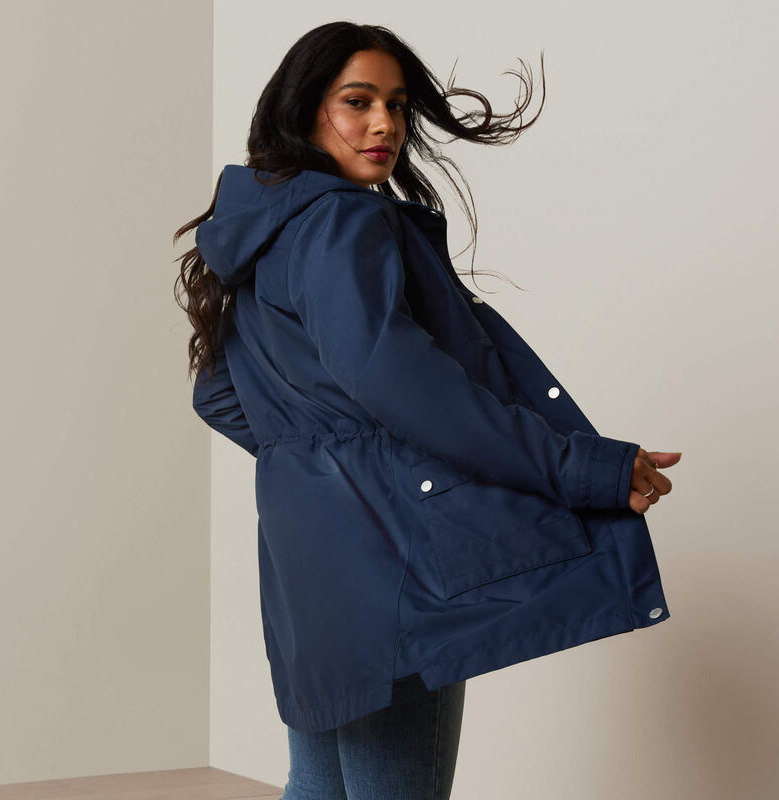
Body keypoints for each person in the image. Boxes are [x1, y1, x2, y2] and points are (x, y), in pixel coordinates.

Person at [173, 21, 681, 800]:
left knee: (319, 784)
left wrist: (317, 458)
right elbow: (397, 379)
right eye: (358, 102)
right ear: (303, 109)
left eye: (398, 105)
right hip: (391, 556)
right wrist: (584, 468)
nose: (385, 123)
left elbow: (217, 393)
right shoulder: (344, 219)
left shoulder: (258, 234)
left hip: (305, 559)